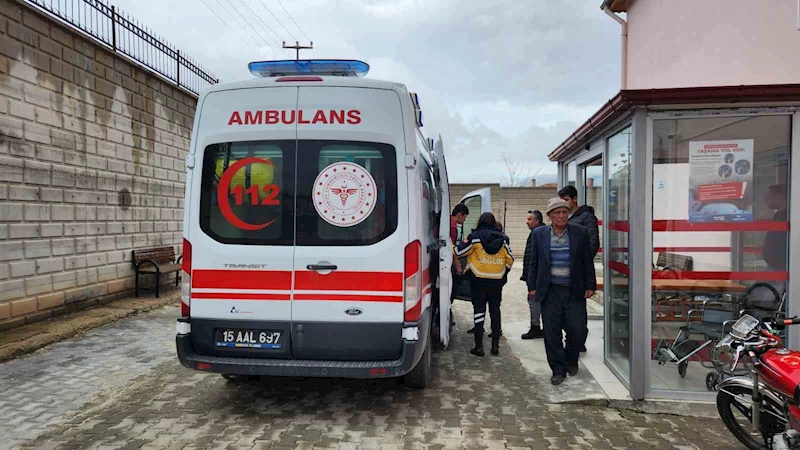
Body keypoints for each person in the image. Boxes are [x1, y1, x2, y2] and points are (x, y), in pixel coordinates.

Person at [527, 198, 596, 385]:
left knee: (577, 329)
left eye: (564, 212)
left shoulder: (579, 233)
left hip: (574, 290)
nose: (561, 216)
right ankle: (558, 369)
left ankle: (571, 359)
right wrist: (531, 287)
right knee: (551, 331)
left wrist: (590, 285)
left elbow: (587, 261)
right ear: (549, 216)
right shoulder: (539, 234)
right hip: (550, 291)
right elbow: (534, 262)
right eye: (557, 213)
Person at [454, 213, 514, 357]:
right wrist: (502, 272)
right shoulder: (503, 239)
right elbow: (510, 259)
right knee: (495, 311)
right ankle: (495, 346)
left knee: (479, 310)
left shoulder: (475, 237)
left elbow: (459, 251)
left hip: (478, 280)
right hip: (496, 281)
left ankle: (479, 346)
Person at [558, 185, 599, 353]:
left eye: (566, 200)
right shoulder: (565, 218)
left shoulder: (586, 217)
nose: (564, 205)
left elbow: (592, 243)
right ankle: (573, 340)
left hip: (578, 273)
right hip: (562, 274)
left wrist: (579, 262)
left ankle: (578, 340)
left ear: (574, 199)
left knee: (577, 312)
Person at [521, 210, 545, 339]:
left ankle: (536, 328)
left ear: (537, 221)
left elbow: (533, 259)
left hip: (536, 277)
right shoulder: (536, 233)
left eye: (530, 219)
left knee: (534, 301)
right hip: (534, 276)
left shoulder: (538, 234)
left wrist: (531, 279)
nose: (527, 222)